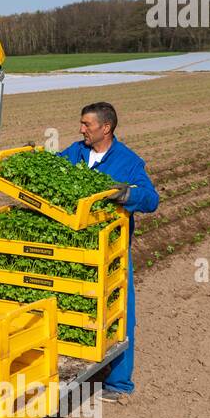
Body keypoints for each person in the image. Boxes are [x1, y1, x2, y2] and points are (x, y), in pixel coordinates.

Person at [57, 101, 158, 401]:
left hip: (110, 252)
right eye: (81, 123)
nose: (81, 129)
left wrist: (127, 193)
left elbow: (151, 199)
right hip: (72, 246)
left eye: (87, 125)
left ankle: (118, 383)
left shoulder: (128, 161)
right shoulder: (75, 152)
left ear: (106, 128)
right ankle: (75, 363)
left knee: (119, 311)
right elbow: (52, 168)